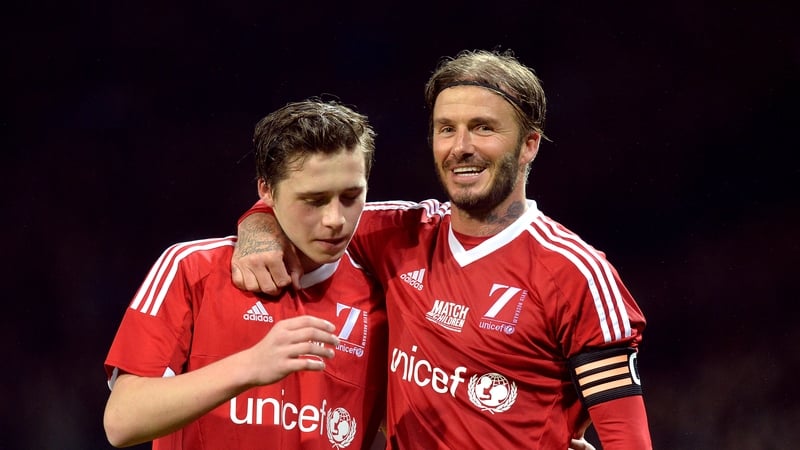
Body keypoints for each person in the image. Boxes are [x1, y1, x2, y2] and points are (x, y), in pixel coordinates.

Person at [233, 49, 649, 449]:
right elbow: (298, 203)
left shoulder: (575, 272)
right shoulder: (399, 233)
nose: (460, 146)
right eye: (446, 128)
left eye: (483, 127)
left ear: (529, 145)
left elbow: (627, 440)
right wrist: (258, 229)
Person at [103, 99, 388, 449]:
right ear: (266, 190)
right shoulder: (193, 268)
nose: (335, 219)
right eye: (313, 201)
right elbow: (122, 421)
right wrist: (251, 365)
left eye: (350, 196)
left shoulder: (384, 296)